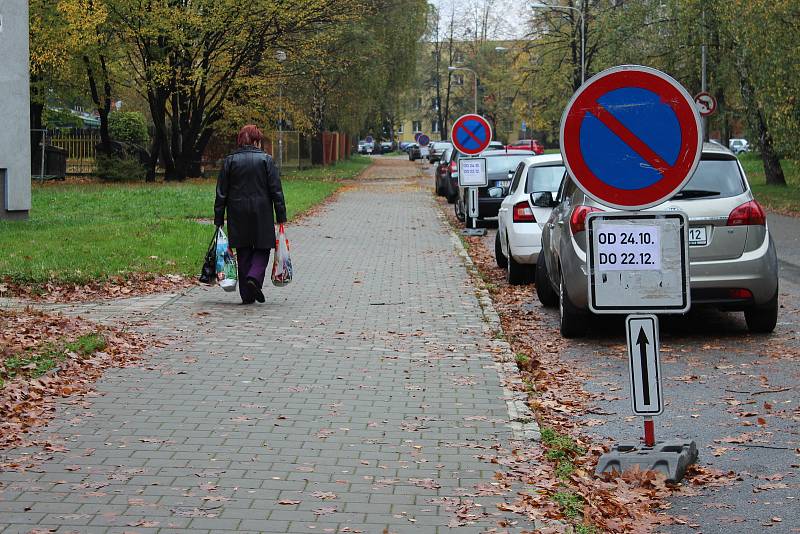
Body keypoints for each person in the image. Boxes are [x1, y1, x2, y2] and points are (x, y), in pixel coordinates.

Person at [214, 125, 287, 304]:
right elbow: (276, 190)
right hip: (262, 212)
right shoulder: (266, 160)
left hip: (237, 213)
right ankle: (254, 278)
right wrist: (281, 217)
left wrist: (218, 219)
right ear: (256, 140)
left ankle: (247, 296)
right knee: (262, 248)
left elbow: (221, 192)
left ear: (240, 140)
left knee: (244, 250)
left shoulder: (229, 161)